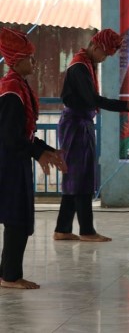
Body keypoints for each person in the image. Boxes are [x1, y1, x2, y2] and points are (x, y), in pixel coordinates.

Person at [53, 29, 129, 242]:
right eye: (104, 54)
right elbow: (94, 100)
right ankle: (87, 231)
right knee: (81, 176)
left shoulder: (85, 64)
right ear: (95, 46)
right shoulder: (79, 67)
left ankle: (62, 229)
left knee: (75, 174)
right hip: (76, 125)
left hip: (80, 123)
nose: (104, 59)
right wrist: (126, 106)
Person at [0, 28, 67, 289]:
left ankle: (6, 272)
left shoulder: (17, 86)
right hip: (8, 162)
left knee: (16, 216)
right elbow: (10, 136)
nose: (34, 63)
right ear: (16, 62)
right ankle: (11, 276)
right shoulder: (11, 92)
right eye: (29, 58)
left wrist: (47, 150)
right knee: (16, 217)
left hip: (14, 159)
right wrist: (38, 153)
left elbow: (24, 133)